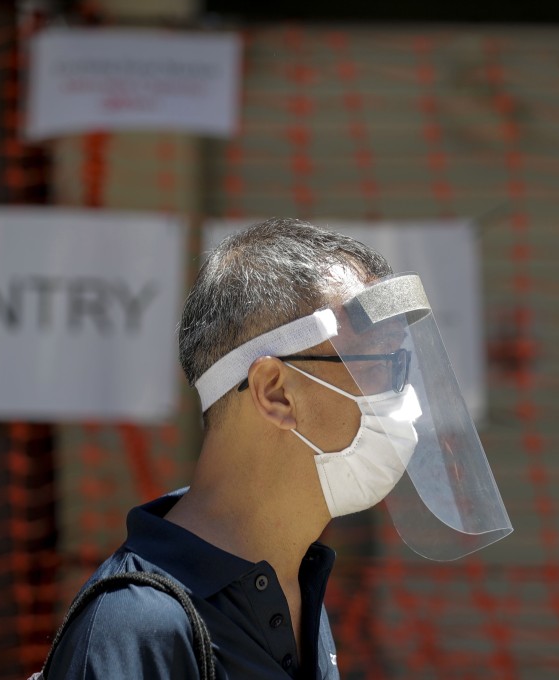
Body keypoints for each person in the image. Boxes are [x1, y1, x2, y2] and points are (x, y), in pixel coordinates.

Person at [43, 217, 512, 679]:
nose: (404, 397)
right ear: (276, 393)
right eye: (381, 361)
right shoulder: (140, 626)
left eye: (402, 361)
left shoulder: (293, 587)